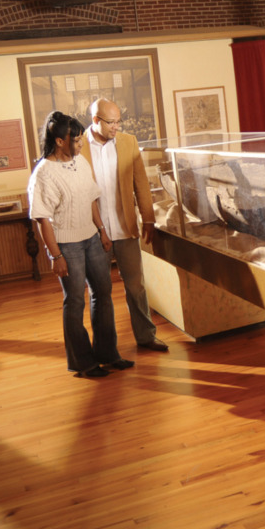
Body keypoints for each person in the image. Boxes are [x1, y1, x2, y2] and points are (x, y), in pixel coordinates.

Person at [28, 111, 134, 377]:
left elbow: (90, 199)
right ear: (59, 141)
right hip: (67, 246)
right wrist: (55, 256)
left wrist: (102, 231)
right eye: (75, 140)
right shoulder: (43, 173)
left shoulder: (81, 162)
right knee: (75, 301)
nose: (80, 144)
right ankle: (83, 362)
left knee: (103, 294)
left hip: (91, 239)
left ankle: (108, 354)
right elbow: (42, 219)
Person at [82, 98, 168, 353]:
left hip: (125, 228)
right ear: (95, 120)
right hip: (94, 232)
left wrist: (148, 219)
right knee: (100, 291)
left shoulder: (129, 142)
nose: (117, 127)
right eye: (111, 122)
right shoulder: (78, 146)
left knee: (136, 286)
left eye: (119, 121)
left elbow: (141, 184)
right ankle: (105, 347)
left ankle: (146, 337)